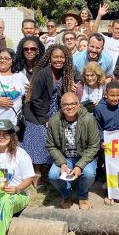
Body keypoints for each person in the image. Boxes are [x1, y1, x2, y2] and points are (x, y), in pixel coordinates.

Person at [23, 44, 77, 186]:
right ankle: (37, 172)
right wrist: (45, 120)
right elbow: (35, 99)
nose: (58, 60)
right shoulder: (43, 74)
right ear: (49, 59)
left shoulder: (67, 73)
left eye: (61, 57)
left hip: (57, 112)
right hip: (37, 113)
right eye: (55, 57)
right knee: (42, 134)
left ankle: (54, 167)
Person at [47, 92, 101, 210]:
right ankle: (66, 195)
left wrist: (80, 166)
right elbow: (51, 145)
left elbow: (94, 146)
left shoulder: (88, 119)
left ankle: (82, 196)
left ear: (78, 104)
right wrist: (62, 163)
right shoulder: (54, 121)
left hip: (84, 156)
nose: (69, 107)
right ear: (61, 106)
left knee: (89, 173)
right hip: (64, 157)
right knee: (53, 175)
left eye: (73, 104)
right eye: (66, 104)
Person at [94, 81, 119, 205]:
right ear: (106, 95)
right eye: (112, 96)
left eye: (117, 96)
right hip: (107, 144)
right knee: (110, 168)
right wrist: (102, 141)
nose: (115, 99)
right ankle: (110, 193)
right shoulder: (99, 108)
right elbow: (97, 128)